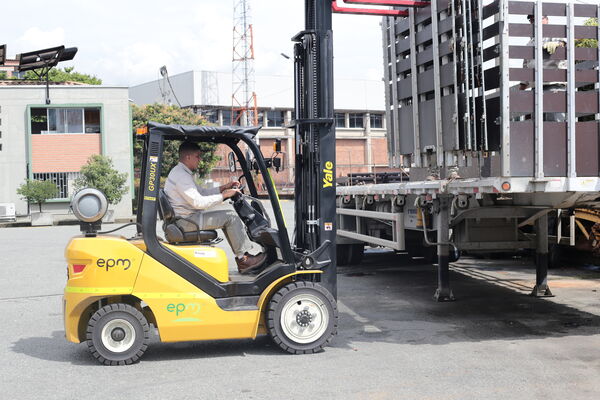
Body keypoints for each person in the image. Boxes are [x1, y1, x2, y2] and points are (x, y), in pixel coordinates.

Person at [164, 141, 266, 274]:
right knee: (231, 217)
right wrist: (224, 195)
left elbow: (200, 193)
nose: (199, 160)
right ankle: (244, 259)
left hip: (186, 218)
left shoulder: (180, 172)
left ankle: (243, 257)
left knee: (227, 214)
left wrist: (223, 188)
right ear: (188, 157)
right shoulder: (182, 176)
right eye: (197, 156)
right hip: (187, 221)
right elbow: (198, 203)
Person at [519, 14, 567, 122]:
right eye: (531, 20)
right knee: (537, 124)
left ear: (546, 20)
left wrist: (559, 43)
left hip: (553, 86)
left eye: (536, 19)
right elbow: (525, 68)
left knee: (555, 123)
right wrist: (520, 93)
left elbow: (564, 42)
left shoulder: (553, 34)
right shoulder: (530, 43)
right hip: (536, 88)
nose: (533, 22)